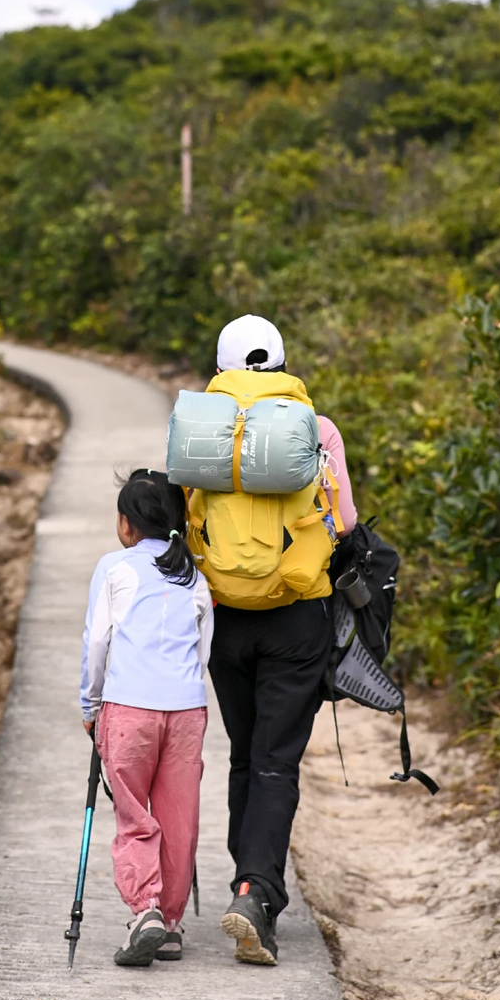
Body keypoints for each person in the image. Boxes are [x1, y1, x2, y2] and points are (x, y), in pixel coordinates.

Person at [204, 314, 357, 966]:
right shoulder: (316, 429)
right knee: (274, 759)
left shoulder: (204, 426)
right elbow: (344, 522)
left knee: (245, 751)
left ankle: (249, 881)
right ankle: (256, 891)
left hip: (224, 616)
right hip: (297, 617)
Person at [79, 469, 214, 967]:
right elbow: (203, 654)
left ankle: (145, 909)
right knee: (180, 816)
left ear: (126, 525)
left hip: (129, 707)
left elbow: (97, 642)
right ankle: (172, 924)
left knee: (134, 814)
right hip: (185, 709)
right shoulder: (194, 576)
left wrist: (91, 705)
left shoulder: (114, 568)